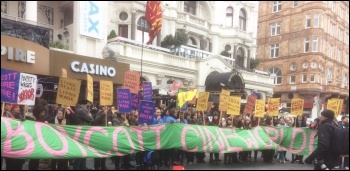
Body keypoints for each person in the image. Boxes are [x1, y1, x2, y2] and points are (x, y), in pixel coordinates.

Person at [73, 99, 94, 170]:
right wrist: (89, 113)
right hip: (82, 133)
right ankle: (77, 168)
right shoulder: (81, 111)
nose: (87, 106)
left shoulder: (79, 110)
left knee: (83, 152)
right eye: (87, 105)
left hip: (82, 132)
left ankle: (83, 167)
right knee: (80, 152)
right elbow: (91, 119)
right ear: (84, 104)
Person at [92, 106, 109, 170]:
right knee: (98, 152)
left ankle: (103, 166)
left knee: (104, 151)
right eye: (104, 107)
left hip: (105, 135)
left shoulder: (109, 114)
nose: (106, 108)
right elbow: (95, 121)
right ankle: (97, 166)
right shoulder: (99, 113)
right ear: (102, 107)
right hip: (99, 135)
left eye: (107, 107)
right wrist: (103, 114)